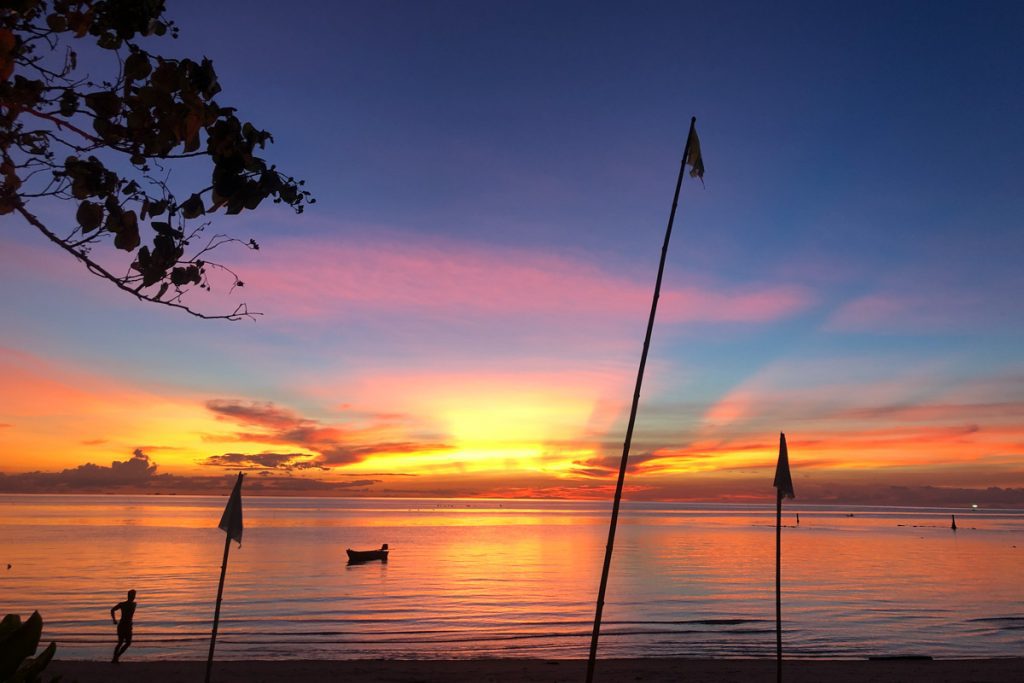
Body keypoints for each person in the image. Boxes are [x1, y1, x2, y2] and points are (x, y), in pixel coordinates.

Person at [110, 589, 137, 663]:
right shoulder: (130, 604)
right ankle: (115, 658)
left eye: (134, 595)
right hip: (123, 626)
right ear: (129, 596)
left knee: (126, 643)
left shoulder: (130, 604)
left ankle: (116, 657)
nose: (134, 597)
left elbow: (112, 610)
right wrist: (114, 620)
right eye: (133, 595)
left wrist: (114, 620)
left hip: (127, 626)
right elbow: (112, 610)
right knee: (121, 642)